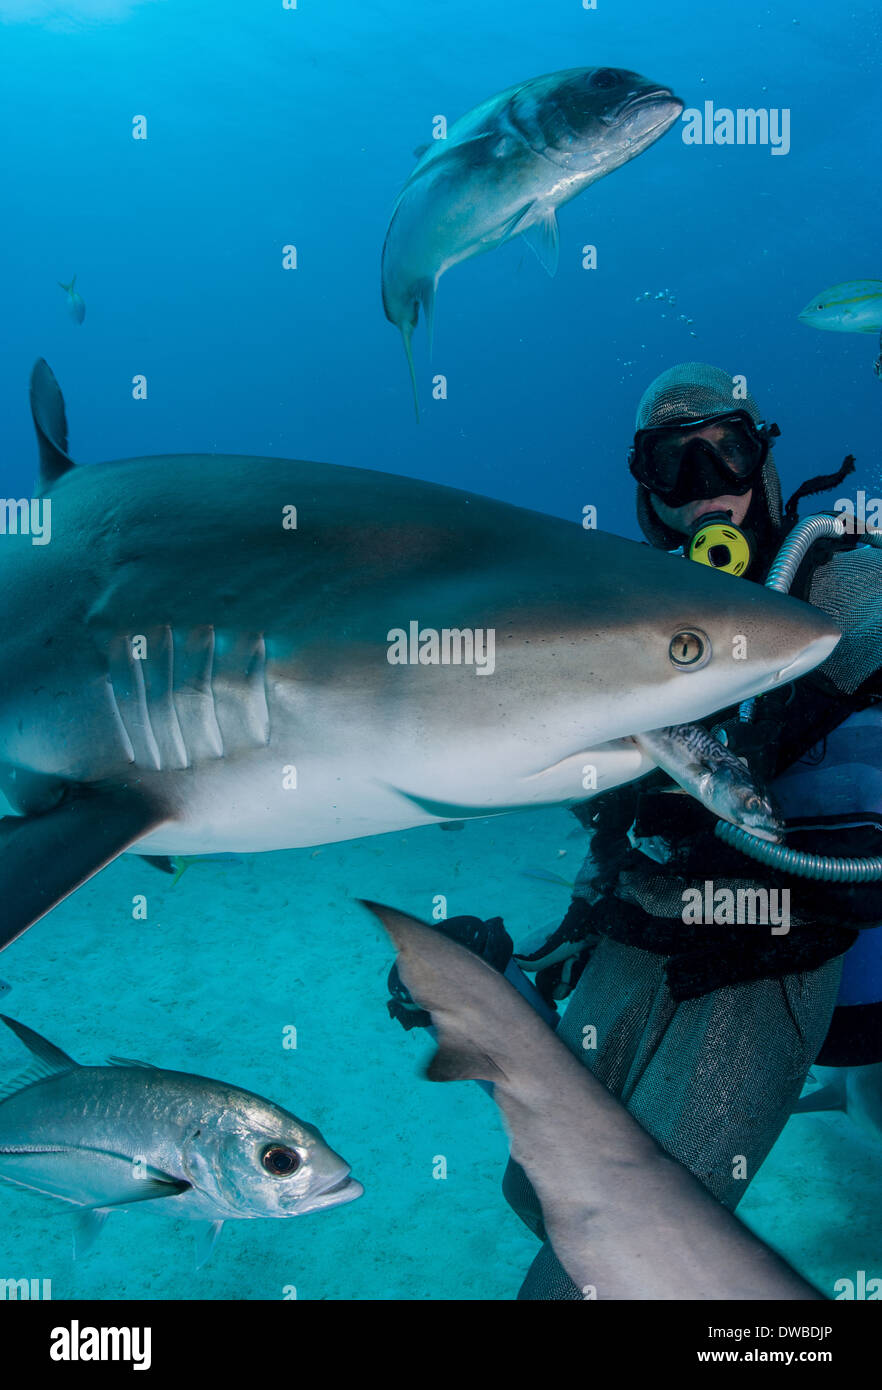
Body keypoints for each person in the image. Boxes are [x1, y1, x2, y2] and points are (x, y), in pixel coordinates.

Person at [502, 361, 882, 1298]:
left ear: (767, 458)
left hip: (785, 951)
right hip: (650, 926)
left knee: (636, 1235)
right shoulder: (627, 607)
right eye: (677, 463)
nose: (710, 483)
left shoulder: (844, 583)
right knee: (538, 1187)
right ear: (646, 490)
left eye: (730, 448)